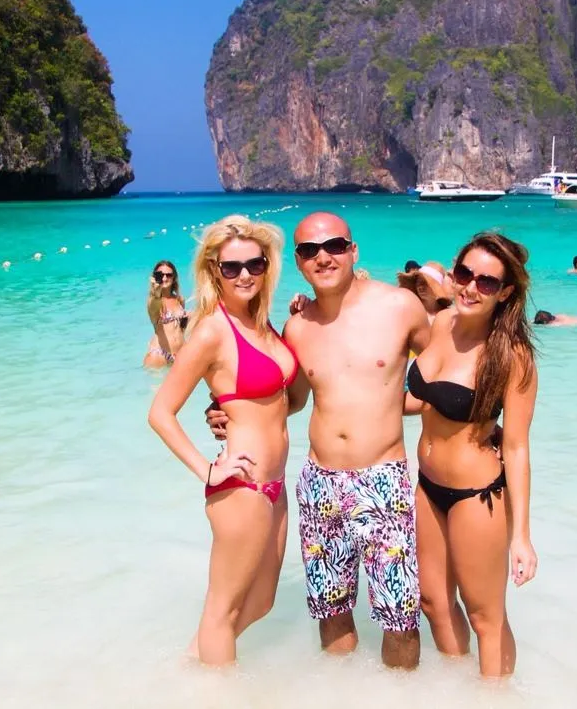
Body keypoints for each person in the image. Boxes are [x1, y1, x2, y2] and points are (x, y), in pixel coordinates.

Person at [208, 212, 431, 669]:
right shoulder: (297, 327)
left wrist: (477, 425)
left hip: (383, 481)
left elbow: (449, 371)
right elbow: (291, 401)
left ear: (353, 251)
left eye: (334, 246)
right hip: (319, 483)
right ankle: (338, 691)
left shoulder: (400, 307)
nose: (323, 257)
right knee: (331, 611)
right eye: (309, 250)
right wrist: (232, 411)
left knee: (401, 619)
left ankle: (402, 697)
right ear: (298, 261)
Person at [146, 216, 303, 666]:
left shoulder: (263, 324)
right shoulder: (213, 331)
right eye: (232, 267)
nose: (244, 275)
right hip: (241, 488)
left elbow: (282, 403)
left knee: (262, 602)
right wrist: (208, 470)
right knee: (221, 611)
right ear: (215, 271)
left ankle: (189, 669)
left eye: (255, 264)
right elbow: (160, 412)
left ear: (268, 265)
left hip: (275, 485)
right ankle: (218, 688)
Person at [407, 233, 538, 678]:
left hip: (476, 497)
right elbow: (424, 397)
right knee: (433, 602)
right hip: (427, 485)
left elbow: (516, 447)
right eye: (465, 274)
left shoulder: (513, 357)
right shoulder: (442, 322)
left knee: (486, 618)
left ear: (506, 292)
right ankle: (457, 688)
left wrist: (521, 537)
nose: (471, 287)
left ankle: (497, 698)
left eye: (487, 282)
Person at [144, 260, 188, 367]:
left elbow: (180, 329)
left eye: (168, 275)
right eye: (160, 275)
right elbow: (153, 304)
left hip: (179, 354)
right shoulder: (154, 301)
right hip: (159, 354)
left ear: (174, 278)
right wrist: (156, 291)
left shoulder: (179, 299)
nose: (164, 278)